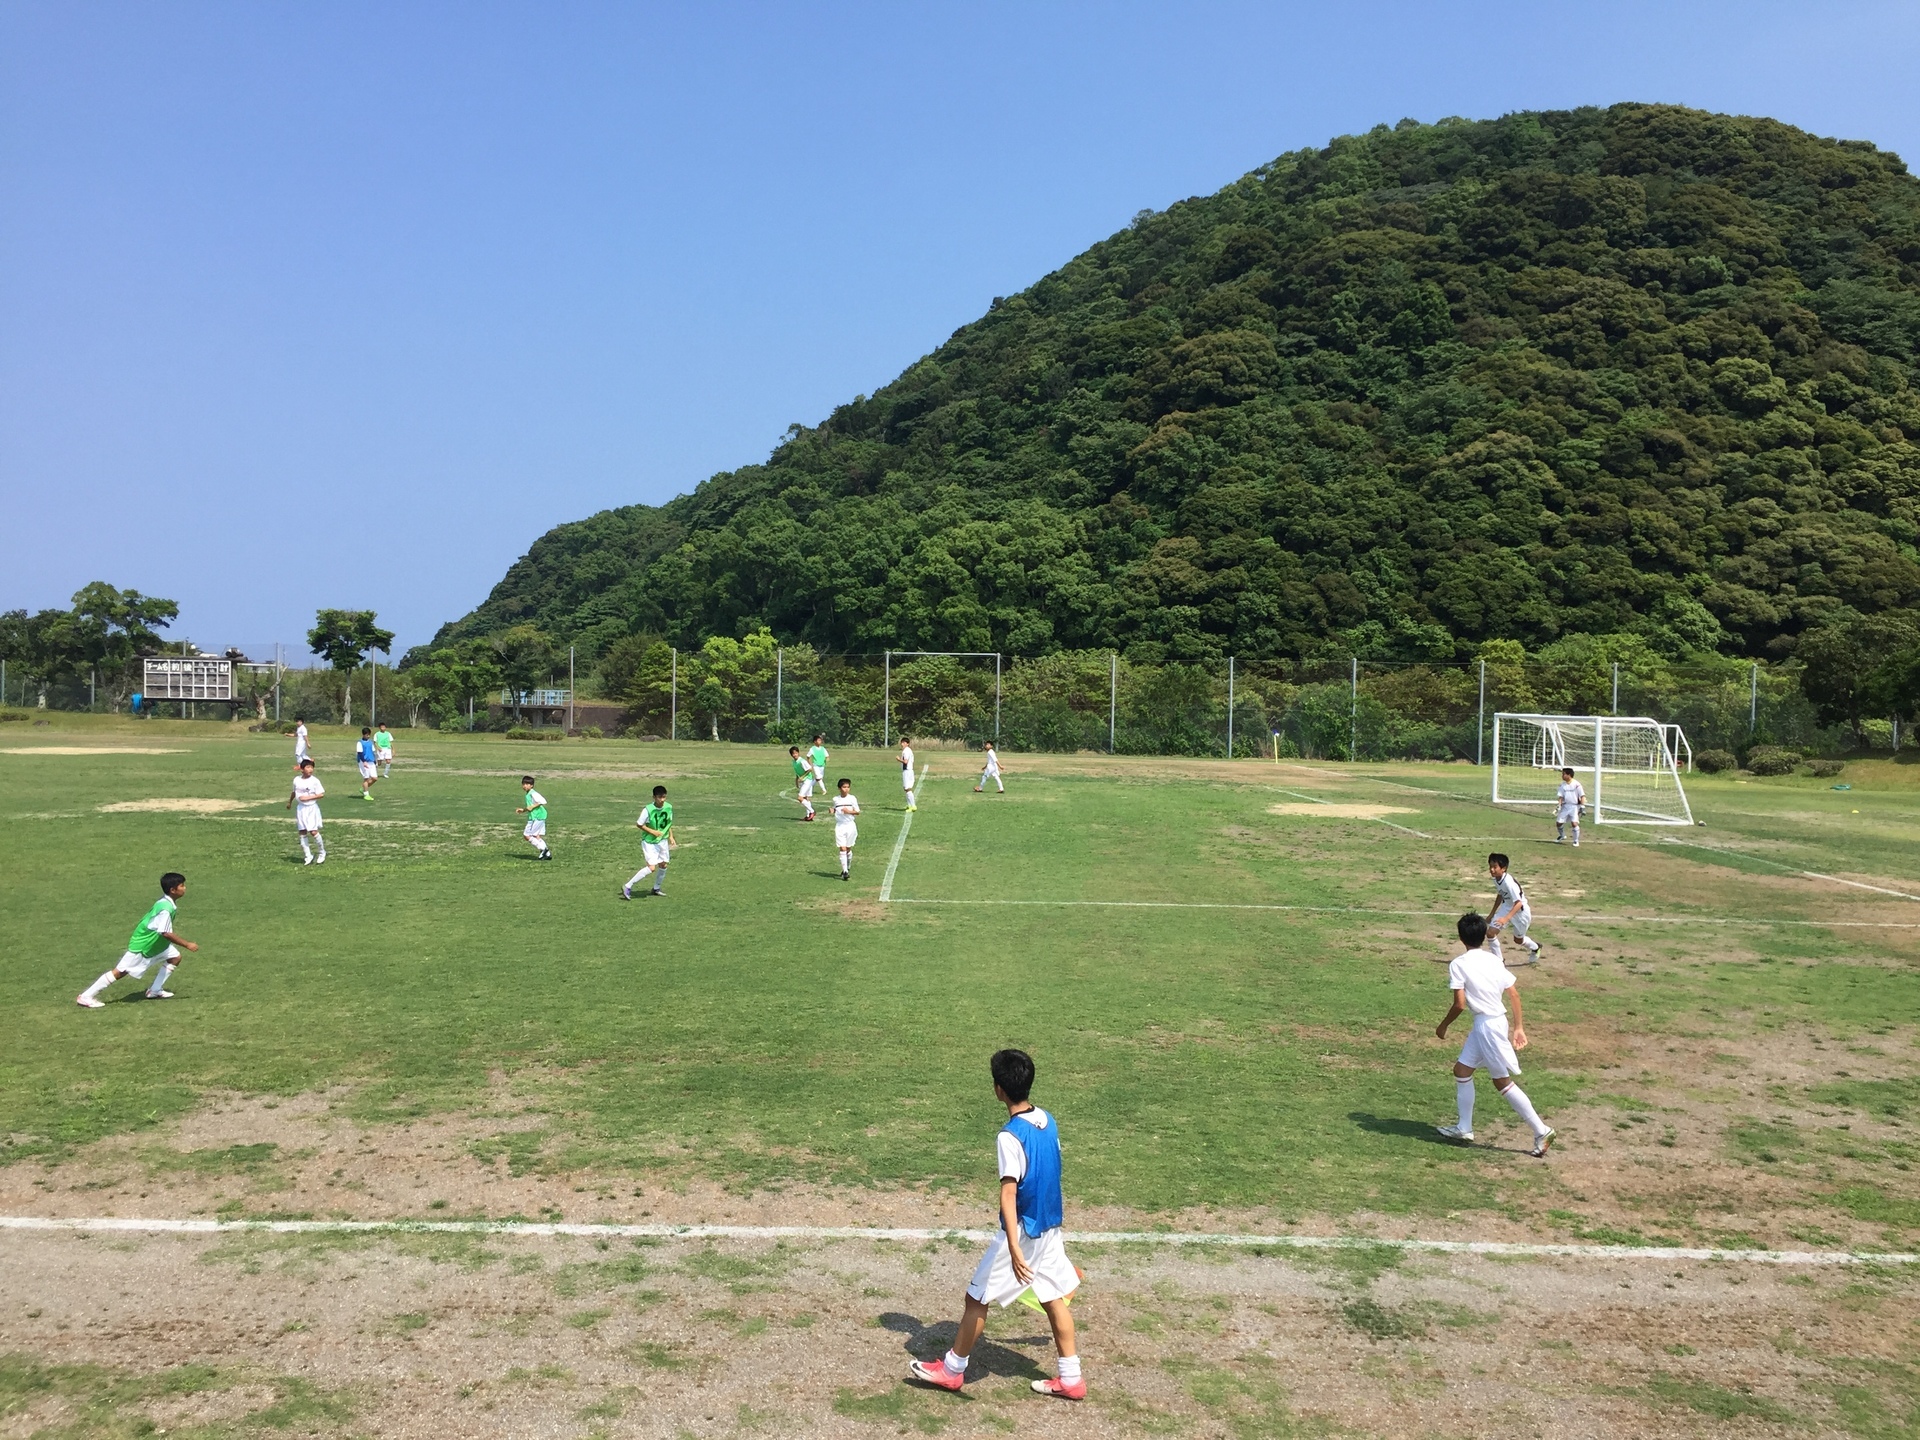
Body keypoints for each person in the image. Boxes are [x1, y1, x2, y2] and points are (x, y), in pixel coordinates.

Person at [909, 1048, 1085, 1400]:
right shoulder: (1047, 1120)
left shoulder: (1009, 1136)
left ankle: (953, 1369)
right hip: (1050, 1228)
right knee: (1052, 1299)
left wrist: (1015, 1249)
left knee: (976, 1298)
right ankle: (1071, 1378)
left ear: (998, 1090)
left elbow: (1008, 1194)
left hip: (1021, 1232)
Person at [1435, 911, 1555, 1157]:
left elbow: (1459, 1004)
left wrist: (1443, 1025)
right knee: (1462, 1070)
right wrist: (1519, 1027)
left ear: (1461, 937)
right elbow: (1514, 994)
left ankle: (1541, 1130)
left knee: (1501, 1081)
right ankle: (1464, 1128)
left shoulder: (1458, 964)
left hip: (1487, 1028)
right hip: (1490, 1024)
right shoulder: (1493, 960)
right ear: (1482, 935)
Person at [76, 873, 199, 1007]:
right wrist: (187, 944)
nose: (185, 888)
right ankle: (86, 996)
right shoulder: (165, 909)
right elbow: (165, 933)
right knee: (120, 972)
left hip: (157, 944)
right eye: (182, 886)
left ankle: (155, 990)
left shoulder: (164, 902)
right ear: (173, 890)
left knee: (175, 957)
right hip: (144, 945)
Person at [1486, 853, 1540, 964]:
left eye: (1494, 867)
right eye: (1490, 866)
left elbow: (1519, 903)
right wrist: (1492, 914)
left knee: (1518, 940)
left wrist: (1506, 919)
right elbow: (1501, 894)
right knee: (1490, 933)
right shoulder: (1496, 879)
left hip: (1520, 912)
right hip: (1506, 907)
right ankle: (1499, 961)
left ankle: (1536, 948)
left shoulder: (1508, 882)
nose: (1491, 870)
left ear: (1503, 868)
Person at [623, 785, 675, 898]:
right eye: (659, 797)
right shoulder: (648, 810)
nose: (662, 800)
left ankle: (656, 888)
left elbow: (668, 823)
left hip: (662, 841)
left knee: (663, 865)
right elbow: (639, 824)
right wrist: (652, 832)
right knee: (651, 868)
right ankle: (628, 885)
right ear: (654, 797)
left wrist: (671, 837)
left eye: (664, 797)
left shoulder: (668, 807)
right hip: (650, 842)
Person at [287, 757, 327, 865]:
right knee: (302, 832)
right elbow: (294, 792)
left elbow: (321, 794)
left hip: (311, 808)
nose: (310, 770)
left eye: (311, 767)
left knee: (313, 832)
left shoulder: (315, 781)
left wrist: (307, 798)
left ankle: (322, 852)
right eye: (308, 767)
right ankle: (308, 856)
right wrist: (290, 802)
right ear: (302, 769)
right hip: (301, 809)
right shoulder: (297, 780)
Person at [830, 777, 859, 881]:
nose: (846, 789)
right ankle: (845, 872)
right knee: (842, 848)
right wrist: (832, 810)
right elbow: (835, 808)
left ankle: (848, 866)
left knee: (848, 849)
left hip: (850, 825)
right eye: (844, 787)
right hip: (840, 826)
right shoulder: (836, 799)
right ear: (839, 788)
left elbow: (857, 812)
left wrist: (848, 811)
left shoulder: (852, 799)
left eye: (848, 787)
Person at [517, 777, 552, 859]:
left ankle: (543, 850)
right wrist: (523, 810)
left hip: (537, 817)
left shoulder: (533, 793)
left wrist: (533, 806)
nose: (525, 786)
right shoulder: (528, 794)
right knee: (536, 836)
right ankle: (547, 854)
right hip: (538, 816)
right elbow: (530, 807)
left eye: (527, 784)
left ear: (531, 785)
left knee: (527, 835)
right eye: (523, 784)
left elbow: (543, 801)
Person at [1554, 767, 1585, 846]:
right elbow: (1560, 797)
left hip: (1574, 807)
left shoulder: (1577, 784)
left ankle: (1576, 841)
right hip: (1565, 806)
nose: (1562, 776)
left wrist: (1582, 807)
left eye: (1564, 774)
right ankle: (1562, 835)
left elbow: (1582, 796)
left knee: (1574, 823)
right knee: (1559, 823)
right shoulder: (1562, 785)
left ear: (1569, 775)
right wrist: (1559, 806)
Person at [790, 745, 816, 820]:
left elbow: (810, 769)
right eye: (793, 753)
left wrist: (802, 777)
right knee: (806, 798)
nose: (794, 755)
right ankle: (808, 816)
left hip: (807, 780)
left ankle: (812, 811)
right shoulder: (794, 762)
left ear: (798, 753)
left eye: (796, 753)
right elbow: (797, 772)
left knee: (800, 798)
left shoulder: (802, 761)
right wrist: (796, 780)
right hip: (803, 781)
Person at [356, 727, 380, 799]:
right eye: (367, 735)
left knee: (375, 778)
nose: (368, 736)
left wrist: (375, 761)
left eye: (369, 735)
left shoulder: (370, 742)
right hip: (364, 762)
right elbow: (360, 753)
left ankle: (363, 788)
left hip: (371, 761)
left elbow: (373, 752)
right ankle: (366, 794)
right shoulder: (360, 743)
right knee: (366, 778)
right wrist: (364, 761)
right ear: (363, 735)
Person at [899, 737, 917, 811]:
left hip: (907, 771)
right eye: (902, 742)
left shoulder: (906, 751)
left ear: (907, 743)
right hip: (908, 771)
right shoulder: (908, 750)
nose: (902, 744)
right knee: (906, 788)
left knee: (907, 788)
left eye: (904, 743)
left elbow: (905, 761)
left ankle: (913, 806)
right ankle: (909, 805)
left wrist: (899, 759)